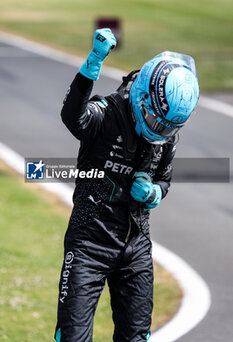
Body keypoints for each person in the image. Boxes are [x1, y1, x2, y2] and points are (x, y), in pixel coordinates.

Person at [54, 28, 199, 342]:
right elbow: (73, 118)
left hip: (135, 246)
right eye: (159, 121)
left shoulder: (166, 134)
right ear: (143, 95)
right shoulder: (107, 112)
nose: (161, 131)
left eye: (170, 126)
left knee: (136, 337)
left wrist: (154, 192)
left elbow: (164, 180)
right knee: (72, 337)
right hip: (88, 243)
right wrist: (93, 63)